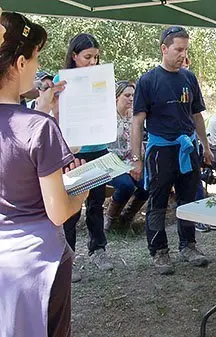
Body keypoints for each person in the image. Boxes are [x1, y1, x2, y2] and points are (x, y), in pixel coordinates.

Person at [0, 12, 89, 337]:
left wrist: (42, 108)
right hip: (37, 264)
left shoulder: (36, 121)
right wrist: (82, 191)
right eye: (36, 58)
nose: (38, 68)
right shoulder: (40, 128)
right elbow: (59, 211)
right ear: (20, 63)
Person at [131, 26, 213, 275]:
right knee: (158, 201)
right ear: (164, 49)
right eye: (178, 49)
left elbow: (197, 115)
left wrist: (206, 147)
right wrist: (137, 159)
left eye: (186, 49)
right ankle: (159, 251)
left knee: (189, 199)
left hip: (187, 148)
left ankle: (188, 245)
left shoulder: (189, 78)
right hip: (161, 150)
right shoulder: (148, 81)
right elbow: (137, 122)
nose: (182, 55)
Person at [58, 33, 114, 282]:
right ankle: (67, 256)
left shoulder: (101, 77)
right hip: (73, 151)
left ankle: (98, 249)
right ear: (74, 56)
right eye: (87, 57)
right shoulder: (62, 80)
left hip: (98, 147)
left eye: (96, 57)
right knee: (71, 208)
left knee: (96, 202)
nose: (92, 61)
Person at [104, 80, 149, 232]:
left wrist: (139, 163)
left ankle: (127, 218)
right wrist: (124, 167)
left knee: (146, 185)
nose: (131, 98)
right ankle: (110, 219)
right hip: (111, 162)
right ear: (117, 97)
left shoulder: (135, 117)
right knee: (126, 185)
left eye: (133, 96)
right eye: (127, 95)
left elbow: (138, 143)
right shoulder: (108, 117)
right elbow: (107, 148)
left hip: (131, 161)